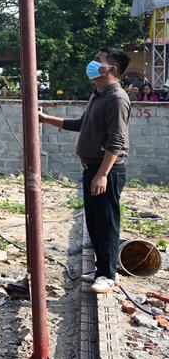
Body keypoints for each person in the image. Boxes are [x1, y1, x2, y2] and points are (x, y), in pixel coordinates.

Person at [38, 47, 131, 293]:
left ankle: (109, 275)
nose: (92, 64)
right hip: (93, 168)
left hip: (107, 171)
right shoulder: (98, 95)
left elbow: (117, 142)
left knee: (107, 222)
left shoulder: (117, 98)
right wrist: (46, 119)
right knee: (94, 222)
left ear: (110, 69)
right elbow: (80, 124)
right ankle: (103, 269)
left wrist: (102, 174)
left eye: (97, 61)